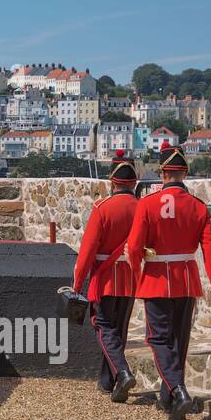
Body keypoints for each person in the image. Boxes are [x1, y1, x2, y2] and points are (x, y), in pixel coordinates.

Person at [125, 141, 211, 420]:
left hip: (156, 279)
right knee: (179, 341)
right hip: (186, 279)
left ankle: (179, 392)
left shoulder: (146, 204)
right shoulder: (198, 207)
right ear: (184, 173)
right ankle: (168, 396)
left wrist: (135, 274)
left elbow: (134, 248)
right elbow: (210, 249)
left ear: (163, 173)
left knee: (158, 339)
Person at [72, 149, 140, 401]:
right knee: (118, 330)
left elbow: (87, 251)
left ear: (112, 181)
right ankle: (107, 381)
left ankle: (122, 372)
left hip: (105, 277)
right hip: (131, 277)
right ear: (134, 182)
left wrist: (78, 284)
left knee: (103, 327)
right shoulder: (143, 208)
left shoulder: (103, 208)